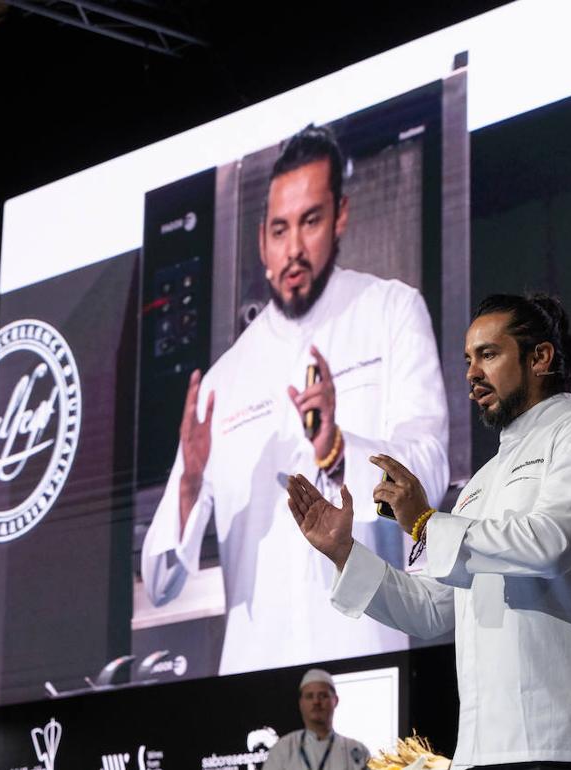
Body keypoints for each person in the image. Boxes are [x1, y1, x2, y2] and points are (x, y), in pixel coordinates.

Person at [288, 293, 571, 769]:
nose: (472, 374)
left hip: (567, 744)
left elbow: (551, 544)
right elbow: (433, 610)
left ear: (540, 357)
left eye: (489, 354)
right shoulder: (480, 483)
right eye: (467, 360)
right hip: (480, 751)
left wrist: (425, 523)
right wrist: (344, 553)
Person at [141, 124, 450, 674]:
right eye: (281, 230)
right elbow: (162, 582)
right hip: (251, 686)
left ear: (340, 218)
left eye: (311, 221)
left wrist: (336, 449)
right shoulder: (222, 379)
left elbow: (430, 470)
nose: (295, 249)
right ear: (262, 240)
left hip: (369, 666)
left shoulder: (391, 312)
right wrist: (188, 485)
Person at [262, 669, 371, 770]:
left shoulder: (357, 750)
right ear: (301, 703)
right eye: (309, 696)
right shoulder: (283, 749)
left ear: (335, 700)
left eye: (323, 696)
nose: (316, 702)